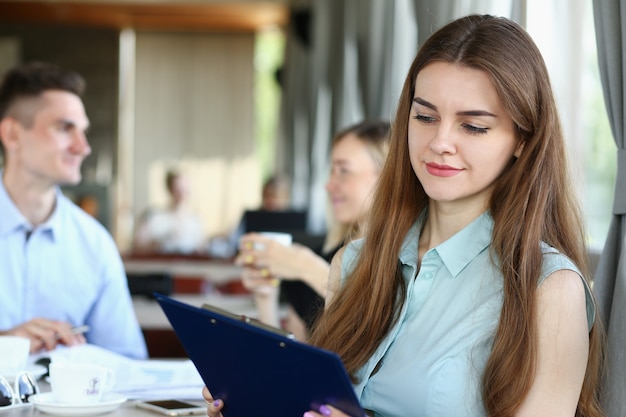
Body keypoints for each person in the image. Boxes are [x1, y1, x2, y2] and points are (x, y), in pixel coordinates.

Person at [204, 14, 605, 417]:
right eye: (425, 117)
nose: (440, 142)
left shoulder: (549, 290)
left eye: (473, 126)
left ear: (522, 138)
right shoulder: (354, 263)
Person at [0, 61, 147, 359]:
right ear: (13, 135)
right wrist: (6, 344)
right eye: (65, 128)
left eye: (83, 131)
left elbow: (127, 362)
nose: (83, 147)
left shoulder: (94, 244)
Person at [235, 120, 390, 341]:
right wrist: (266, 299)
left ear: (387, 178)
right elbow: (291, 367)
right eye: (332, 171)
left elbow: (380, 341)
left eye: (344, 170)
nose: (329, 184)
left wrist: (309, 269)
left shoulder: (408, 265)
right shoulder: (315, 260)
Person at [133, 169, 205, 254]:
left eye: (185, 188)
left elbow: (202, 248)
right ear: (170, 189)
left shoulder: (195, 220)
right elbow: (137, 246)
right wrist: (158, 244)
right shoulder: (153, 217)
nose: (182, 193)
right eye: (178, 188)